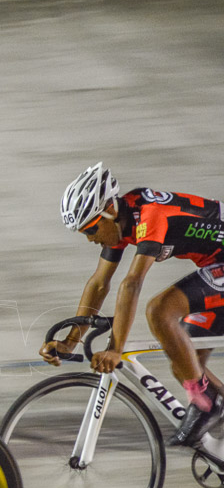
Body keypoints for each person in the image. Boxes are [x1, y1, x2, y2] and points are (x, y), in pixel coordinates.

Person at [42, 162, 224, 446]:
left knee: (160, 310)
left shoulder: (150, 215)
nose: (90, 239)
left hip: (219, 263)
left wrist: (115, 349)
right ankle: (210, 407)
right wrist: (70, 341)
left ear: (109, 211)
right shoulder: (121, 220)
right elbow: (99, 283)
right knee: (184, 363)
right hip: (215, 263)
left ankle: (205, 405)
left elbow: (132, 283)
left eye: (90, 229)